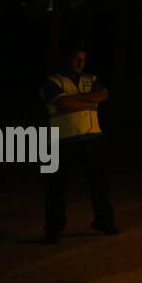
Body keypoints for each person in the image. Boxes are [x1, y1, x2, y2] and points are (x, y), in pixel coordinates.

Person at [41, 47, 119, 242]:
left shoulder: (91, 79)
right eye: (76, 58)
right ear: (67, 59)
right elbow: (63, 104)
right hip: (61, 141)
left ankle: (104, 221)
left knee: (100, 184)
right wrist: (88, 101)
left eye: (83, 59)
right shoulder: (53, 81)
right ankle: (53, 228)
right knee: (57, 187)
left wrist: (73, 99)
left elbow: (103, 96)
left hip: (91, 138)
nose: (79, 63)